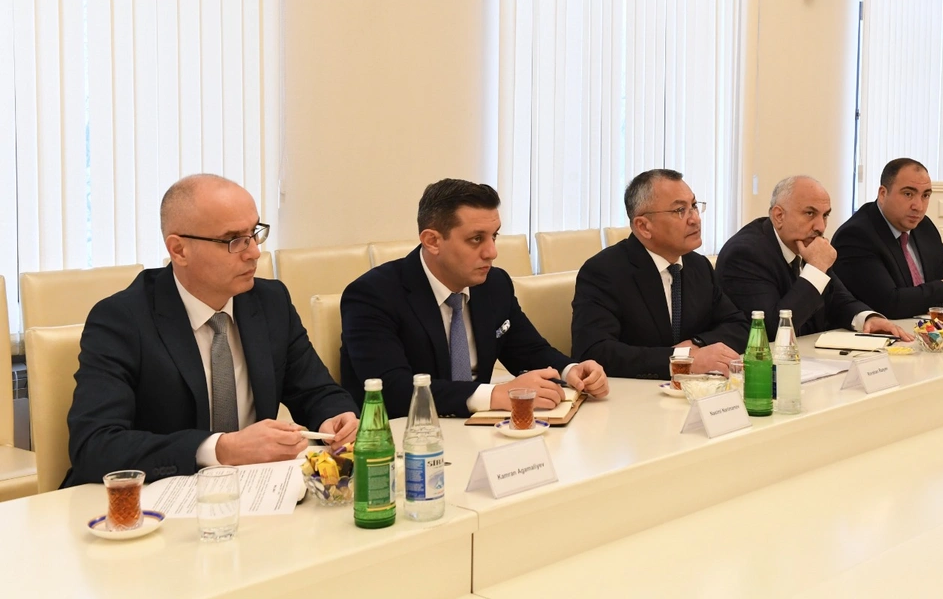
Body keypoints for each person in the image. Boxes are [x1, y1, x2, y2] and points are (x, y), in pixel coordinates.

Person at [64, 175, 358, 487]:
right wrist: (220, 449)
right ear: (179, 250)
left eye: (254, 233)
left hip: (252, 490)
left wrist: (334, 418)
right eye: (234, 240)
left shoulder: (270, 302)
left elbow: (316, 391)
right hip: (154, 497)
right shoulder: (122, 319)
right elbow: (95, 444)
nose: (254, 253)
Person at [340, 179, 609, 419]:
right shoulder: (373, 295)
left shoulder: (494, 284)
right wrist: (495, 395)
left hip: (479, 431)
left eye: (494, 236)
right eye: (476, 239)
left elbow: (528, 351)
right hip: (403, 437)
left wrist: (571, 370)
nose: (492, 252)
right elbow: (391, 390)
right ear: (432, 241)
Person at [571, 169, 748, 379]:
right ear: (644, 226)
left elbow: (738, 326)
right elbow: (594, 352)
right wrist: (681, 360)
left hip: (696, 389)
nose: (695, 219)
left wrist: (697, 343)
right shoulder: (604, 271)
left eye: (693, 206)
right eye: (680, 210)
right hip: (633, 393)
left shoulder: (699, 266)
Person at [715, 175, 912, 341]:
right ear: (779, 216)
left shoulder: (805, 243)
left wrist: (868, 319)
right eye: (810, 213)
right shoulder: (745, 254)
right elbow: (773, 331)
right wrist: (816, 268)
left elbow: (837, 299)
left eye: (825, 215)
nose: (821, 227)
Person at [830, 158, 943, 319]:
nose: (918, 206)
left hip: (924, 328)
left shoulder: (924, 227)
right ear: (883, 194)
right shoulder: (856, 235)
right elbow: (890, 304)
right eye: (908, 194)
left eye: (925, 195)